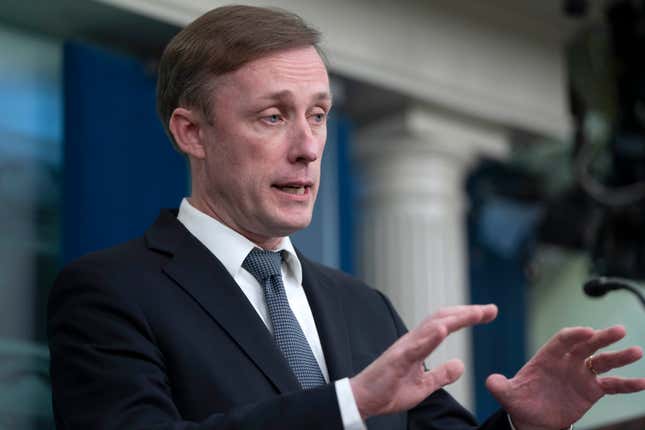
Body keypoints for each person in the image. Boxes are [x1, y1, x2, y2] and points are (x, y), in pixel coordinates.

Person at [48, 5, 645, 430]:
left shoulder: (363, 306)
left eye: (319, 114)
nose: (309, 147)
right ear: (191, 132)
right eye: (273, 117)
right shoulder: (111, 291)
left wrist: (525, 427)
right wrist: (348, 404)